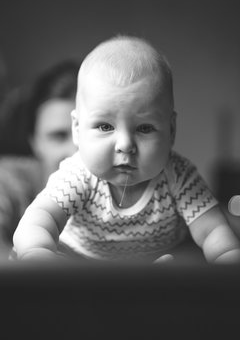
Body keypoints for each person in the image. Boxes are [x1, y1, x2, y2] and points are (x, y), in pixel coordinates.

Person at [13, 36, 240, 264]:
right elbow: (38, 220)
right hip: (81, 268)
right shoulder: (77, 176)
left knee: (186, 262)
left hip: (158, 265)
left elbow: (213, 231)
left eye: (144, 128)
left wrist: (227, 258)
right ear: (77, 129)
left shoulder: (178, 176)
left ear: (171, 130)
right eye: (105, 126)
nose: (125, 145)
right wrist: (38, 253)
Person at [0, 60, 79, 259]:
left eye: (83, 134)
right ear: (34, 141)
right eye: (58, 136)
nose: (74, 150)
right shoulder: (8, 182)